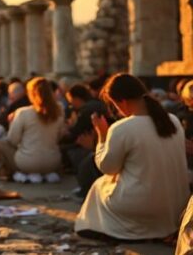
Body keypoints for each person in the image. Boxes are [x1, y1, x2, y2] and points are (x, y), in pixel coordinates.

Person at [75, 73, 189, 241]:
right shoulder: (173, 120)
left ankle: (124, 230)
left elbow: (107, 168)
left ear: (122, 102)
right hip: (175, 207)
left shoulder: (123, 127)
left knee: (99, 186)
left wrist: (102, 136)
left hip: (141, 206)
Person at [0, 77, 65, 184]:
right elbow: (60, 136)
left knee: (1, 143)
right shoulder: (59, 110)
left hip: (27, 163)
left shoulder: (23, 112)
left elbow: (12, 140)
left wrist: (11, 122)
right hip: (53, 162)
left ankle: (12, 173)